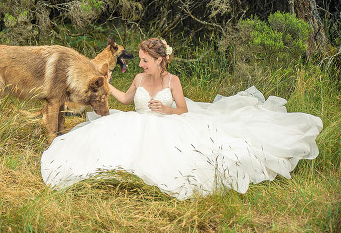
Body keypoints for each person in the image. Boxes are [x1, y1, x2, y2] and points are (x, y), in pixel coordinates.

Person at [40, 38, 323, 200]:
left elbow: (184, 110)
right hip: (137, 122)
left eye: (145, 60)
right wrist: (105, 84)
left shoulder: (172, 80)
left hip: (168, 123)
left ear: (160, 61)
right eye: (139, 60)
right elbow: (126, 101)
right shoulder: (138, 79)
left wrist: (166, 110)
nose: (140, 65)